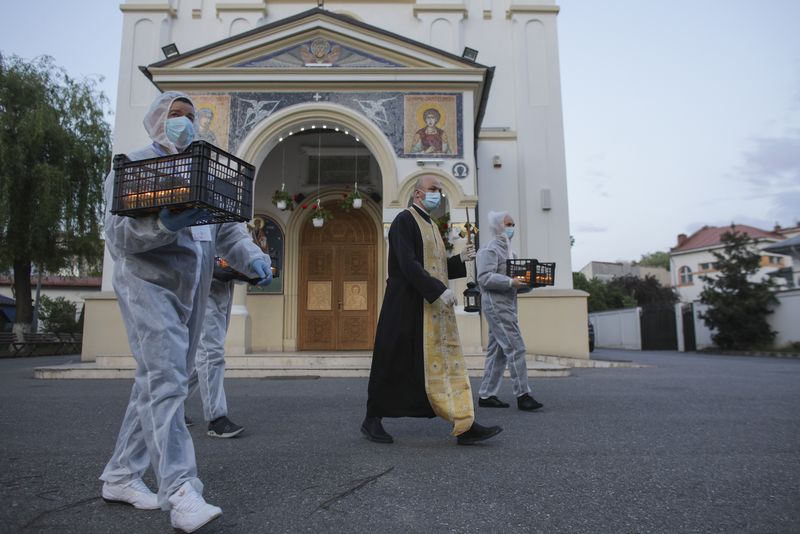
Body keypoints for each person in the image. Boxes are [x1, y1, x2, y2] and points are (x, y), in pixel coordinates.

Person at [99, 91, 272, 533]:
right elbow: (118, 238)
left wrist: (252, 257)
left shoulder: (204, 170)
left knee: (159, 380)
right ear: (156, 120)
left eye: (190, 116)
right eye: (175, 115)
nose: (184, 123)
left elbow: (229, 230)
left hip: (193, 288)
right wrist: (163, 224)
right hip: (148, 284)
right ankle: (180, 490)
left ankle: (121, 474)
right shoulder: (134, 166)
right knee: (167, 380)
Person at [362, 174, 502, 445]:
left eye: (439, 190)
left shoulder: (432, 225)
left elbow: (435, 265)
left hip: (431, 309)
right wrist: (438, 290)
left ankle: (463, 423)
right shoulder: (404, 220)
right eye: (433, 189)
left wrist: (459, 260)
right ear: (417, 193)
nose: (437, 194)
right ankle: (372, 418)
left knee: (443, 365)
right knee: (393, 362)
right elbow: (408, 263)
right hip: (405, 307)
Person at [187, 253, 271, 439]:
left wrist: (253, 269)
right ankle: (216, 418)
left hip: (222, 294)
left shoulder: (225, 235)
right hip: (202, 293)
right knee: (211, 353)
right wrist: (214, 266)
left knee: (201, 360)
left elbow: (235, 248)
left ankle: (174, 403)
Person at [475, 211, 543, 411]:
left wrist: (531, 284)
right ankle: (523, 395)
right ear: (498, 226)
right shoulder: (489, 250)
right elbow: (484, 278)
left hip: (508, 305)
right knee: (516, 347)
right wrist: (510, 282)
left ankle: (487, 394)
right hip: (496, 305)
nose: (512, 228)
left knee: (498, 351)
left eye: (513, 224)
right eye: (508, 224)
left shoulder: (510, 253)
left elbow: (515, 285)